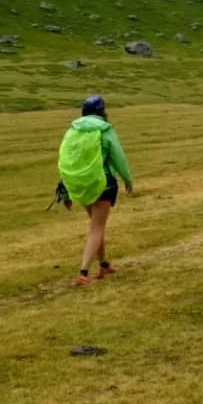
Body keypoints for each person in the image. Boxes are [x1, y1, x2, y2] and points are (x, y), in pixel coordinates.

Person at [55, 95, 134, 287]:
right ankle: (83, 273)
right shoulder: (105, 130)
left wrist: (65, 189)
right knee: (96, 228)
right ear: (102, 111)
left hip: (82, 185)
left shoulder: (72, 131)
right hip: (103, 184)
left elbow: (68, 161)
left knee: (96, 226)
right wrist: (128, 180)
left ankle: (104, 265)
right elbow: (118, 157)